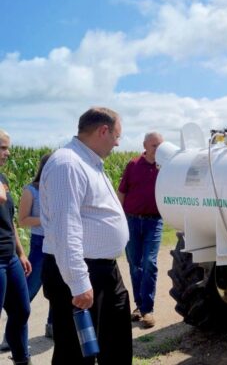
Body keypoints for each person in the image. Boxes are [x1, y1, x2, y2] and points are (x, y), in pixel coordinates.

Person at [40, 107, 132, 364]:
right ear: (104, 130)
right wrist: (79, 283)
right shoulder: (68, 164)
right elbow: (65, 228)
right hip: (80, 273)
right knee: (76, 353)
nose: (117, 143)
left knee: (115, 343)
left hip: (104, 270)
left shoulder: (88, 161)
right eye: (117, 136)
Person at [118, 132, 164, 328]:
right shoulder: (133, 165)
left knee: (149, 262)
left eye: (160, 145)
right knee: (134, 264)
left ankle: (148, 309)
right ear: (145, 145)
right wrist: (119, 219)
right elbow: (122, 192)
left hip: (155, 222)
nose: (157, 149)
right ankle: (139, 306)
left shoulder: (166, 168)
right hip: (131, 221)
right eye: (154, 145)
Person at [0, 129, 32, 365]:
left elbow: (8, 218)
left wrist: (20, 252)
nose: (7, 153)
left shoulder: (3, 179)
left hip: (9, 257)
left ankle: (22, 359)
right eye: (2, 148)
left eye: (7, 147)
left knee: (22, 311)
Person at [17, 154, 53, 338]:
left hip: (58, 244)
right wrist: (48, 221)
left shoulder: (60, 189)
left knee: (58, 290)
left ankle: (52, 327)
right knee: (28, 291)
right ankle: (11, 335)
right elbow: (22, 220)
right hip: (40, 245)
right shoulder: (31, 190)